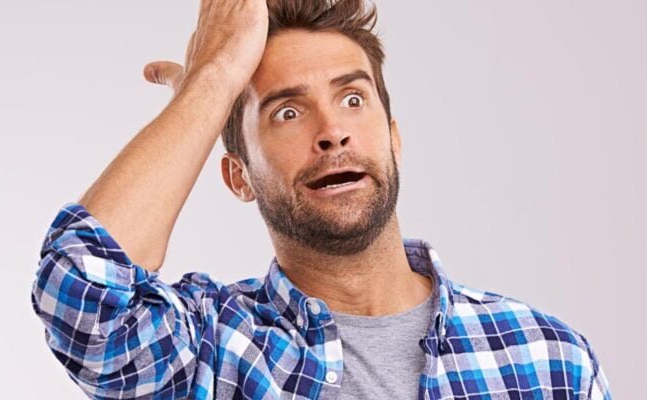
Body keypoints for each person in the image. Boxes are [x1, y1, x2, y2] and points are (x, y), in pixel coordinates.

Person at [31, 0, 612, 399]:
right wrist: (214, 81)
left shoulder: (545, 357)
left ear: (394, 138)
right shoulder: (210, 352)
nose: (332, 130)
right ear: (238, 177)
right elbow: (80, 288)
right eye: (287, 111)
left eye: (353, 99)